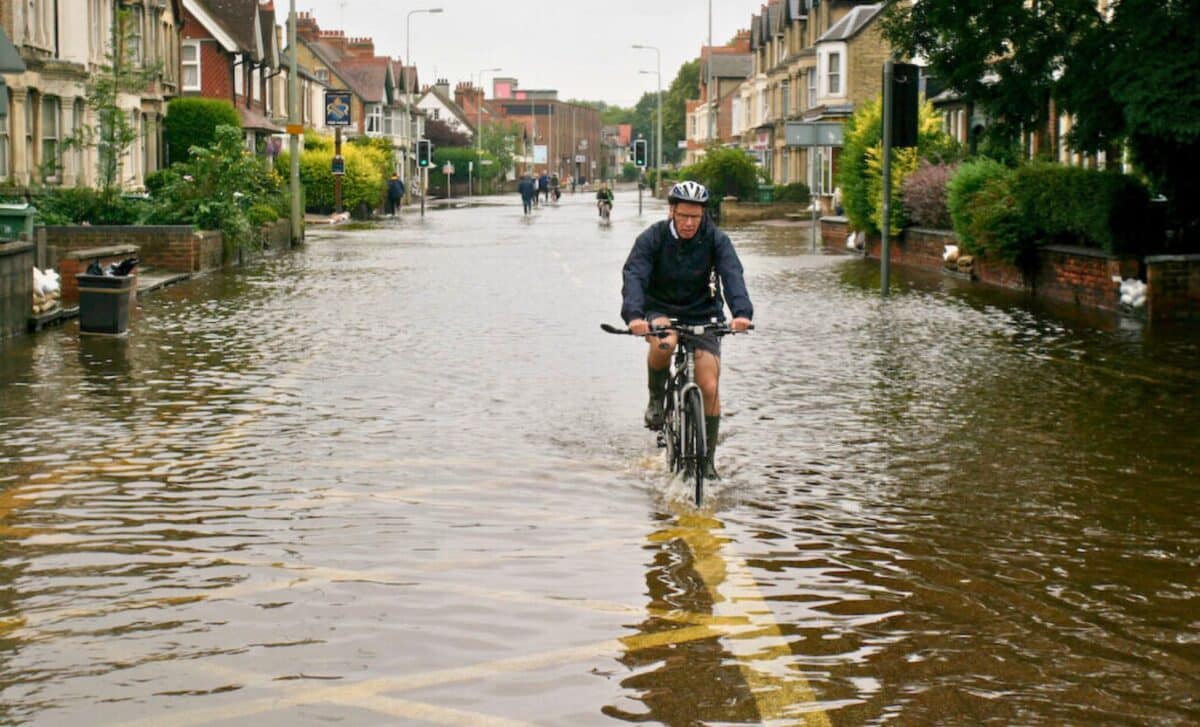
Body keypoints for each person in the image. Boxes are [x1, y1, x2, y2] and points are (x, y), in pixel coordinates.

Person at [620, 180, 753, 478]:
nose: (689, 223)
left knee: (708, 384)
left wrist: (741, 313)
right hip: (661, 309)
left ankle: (707, 464)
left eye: (696, 217)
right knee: (664, 342)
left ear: (704, 215)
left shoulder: (717, 240)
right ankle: (657, 397)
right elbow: (635, 275)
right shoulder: (652, 238)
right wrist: (635, 316)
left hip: (703, 312)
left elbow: (733, 274)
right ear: (672, 212)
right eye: (683, 216)